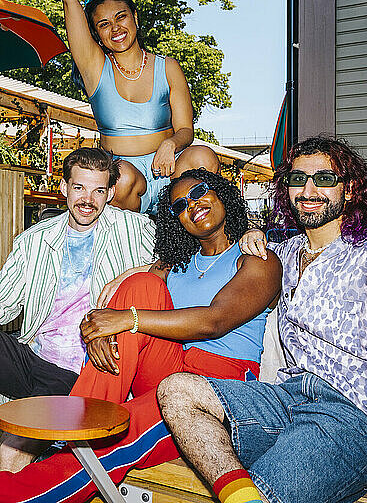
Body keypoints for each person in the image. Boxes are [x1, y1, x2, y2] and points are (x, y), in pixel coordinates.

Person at [0, 168, 282, 503]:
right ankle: (82, 423)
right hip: (172, 366)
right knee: (142, 285)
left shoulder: (257, 259)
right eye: (179, 206)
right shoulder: (177, 263)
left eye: (199, 193)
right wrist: (100, 331)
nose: (192, 206)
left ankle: (17, 492)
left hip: (219, 383)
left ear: (223, 193)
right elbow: (126, 294)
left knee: (120, 437)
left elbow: (215, 321)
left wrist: (126, 319)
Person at [157, 136, 367, 503]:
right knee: (178, 389)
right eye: (297, 179)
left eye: (324, 179)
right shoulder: (279, 254)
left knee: (266, 488)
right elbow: (212, 252)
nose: (309, 189)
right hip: (289, 398)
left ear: (349, 190)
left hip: (356, 413)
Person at [0, 147, 156, 472]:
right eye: (79, 188)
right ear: (64, 188)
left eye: (99, 190)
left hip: (83, 373)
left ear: (111, 192)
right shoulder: (34, 241)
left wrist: (134, 273)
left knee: (10, 454)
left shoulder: (135, 229)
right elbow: (3, 304)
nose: (88, 199)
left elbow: (186, 250)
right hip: (36, 357)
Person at [48, 0, 220, 214]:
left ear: (135, 18)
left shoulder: (168, 67)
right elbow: (70, 2)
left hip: (170, 170)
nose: (115, 28)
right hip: (124, 181)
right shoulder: (95, 69)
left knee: (203, 156)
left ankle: (190, 240)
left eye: (121, 17)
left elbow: (186, 129)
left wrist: (171, 143)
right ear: (95, 34)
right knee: (123, 175)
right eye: (104, 24)